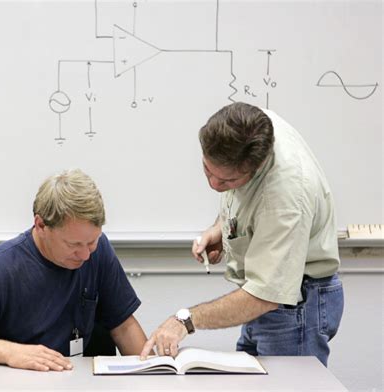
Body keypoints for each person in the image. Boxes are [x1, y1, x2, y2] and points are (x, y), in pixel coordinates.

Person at [140, 102, 344, 367]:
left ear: (257, 167)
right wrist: (222, 229)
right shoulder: (252, 126)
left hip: (294, 307)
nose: (214, 185)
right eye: (207, 170)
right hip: (267, 298)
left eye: (227, 182)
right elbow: (243, 199)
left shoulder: (284, 199)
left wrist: (185, 320)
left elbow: (265, 296)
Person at [0, 169, 148, 371]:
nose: (86, 255)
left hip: (75, 380)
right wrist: (11, 352)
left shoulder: (98, 252)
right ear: (41, 225)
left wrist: (155, 372)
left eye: (92, 242)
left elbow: (123, 325)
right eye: (73, 245)